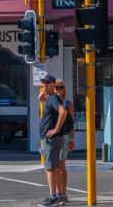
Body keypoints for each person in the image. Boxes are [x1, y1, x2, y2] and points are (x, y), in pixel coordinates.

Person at [37, 75, 71, 206]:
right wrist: (44, 90)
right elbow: (40, 98)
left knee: (50, 168)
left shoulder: (54, 98)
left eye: (47, 83)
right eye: (42, 83)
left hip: (52, 139)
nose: (44, 85)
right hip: (52, 139)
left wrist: (56, 129)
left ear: (53, 85)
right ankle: (56, 196)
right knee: (54, 168)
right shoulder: (49, 98)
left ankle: (53, 197)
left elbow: (63, 112)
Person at [54, 80, 75, 200]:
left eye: (61, 87)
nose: (58, 90)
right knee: (54, 167)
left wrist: (72, 139)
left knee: (61, 166)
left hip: (65, 138)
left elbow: (72, 124)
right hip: (53, 138)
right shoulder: (51, 102)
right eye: (56, 87)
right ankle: (57, 193)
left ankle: (63, 194)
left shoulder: (67, 103)